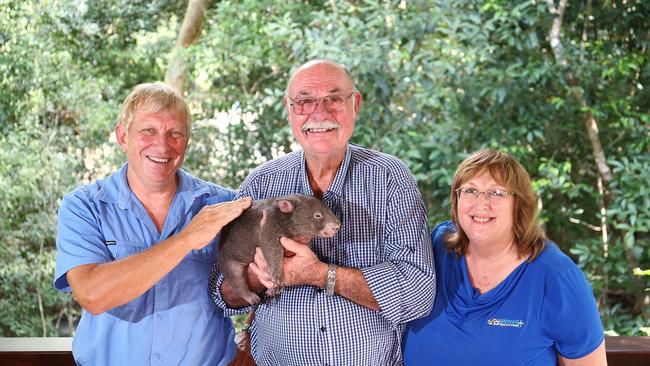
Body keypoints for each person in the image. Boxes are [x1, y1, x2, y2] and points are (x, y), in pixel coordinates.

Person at [209, 59, 436, 365]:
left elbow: (418, 291)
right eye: (304, 101)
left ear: (355, 104)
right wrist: (257, 276)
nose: (320, 112)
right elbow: (220, 293)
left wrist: (321, 275)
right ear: (289, 109)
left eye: (333, 99)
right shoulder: (261, 183)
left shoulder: (390, 178)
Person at [53, 82, 252, 366]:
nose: (163, 145)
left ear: (186, 142)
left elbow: (269, 273)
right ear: (123, 136)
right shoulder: (84, 207)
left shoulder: (224, 205)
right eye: (149, 131)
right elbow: (92, 294)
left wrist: (251, 333)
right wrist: (187, 238)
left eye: (175, 133)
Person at [403, 149, 607, 366]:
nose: (481, 204)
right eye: (470, 190)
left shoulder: (557, 277)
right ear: (457, 199)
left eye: (496, 193)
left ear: (519, 204)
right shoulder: (437, 246)